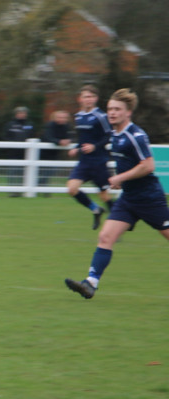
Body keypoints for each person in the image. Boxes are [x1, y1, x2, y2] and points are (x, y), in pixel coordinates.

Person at [65, 89, 168, 299]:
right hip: (128, 199)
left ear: (128, 112)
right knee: (105, 236)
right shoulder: (115, 134)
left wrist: (120, 178)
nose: (112, 113)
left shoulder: (135, 135)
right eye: (110, 109)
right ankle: (90, 283)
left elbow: (148, 165)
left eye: (117, 109)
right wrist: (122, 178)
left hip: (149, 199)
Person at [66, 85, 114, 230]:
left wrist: (95, 146)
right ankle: (95, 209)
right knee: (72, 189)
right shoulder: (79, 116)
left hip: (98, 162)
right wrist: (76, 147)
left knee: (104, 196)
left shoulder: (101, 116)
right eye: (86, 96)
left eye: (92, 97)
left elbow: (109, 136)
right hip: (84, 162)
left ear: (96, 99)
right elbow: (83, 139)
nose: (89, 99)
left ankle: (117, 224)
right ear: (80, 99)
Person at [2, 105, 34, 194]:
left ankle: (21, 191)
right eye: (20, 113)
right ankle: (12, 191)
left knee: (23, 173)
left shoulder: (30, 124)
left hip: (26, 153)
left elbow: (32, 136)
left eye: (24, 113)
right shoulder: (10, 124)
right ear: (16, 114)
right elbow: (5, 136)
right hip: (13, 152)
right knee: (12, 171)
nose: (22, 115)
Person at [40, 109, 73, 192]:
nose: (62, 119)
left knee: (50, 171)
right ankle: (41, 188)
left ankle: (43, 189)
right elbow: (48, 137)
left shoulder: (67, 126)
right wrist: (59, 141)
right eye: (59, 117)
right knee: (43, 172)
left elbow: (71, 136)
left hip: (54, 153)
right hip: (43, 153)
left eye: (64, 117)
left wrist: (68, 140)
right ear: (55, 118)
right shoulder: (50, 125)